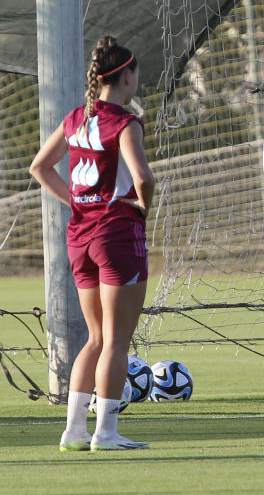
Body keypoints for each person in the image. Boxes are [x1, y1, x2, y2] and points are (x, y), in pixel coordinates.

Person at [30, 36, 154, 451]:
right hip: (116, 235)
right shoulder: (125, 122)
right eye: (136, 75)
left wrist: (76, 202)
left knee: (96, 338)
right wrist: (142, 205)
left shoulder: (75, 119)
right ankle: (106, 433)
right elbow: (144, 177)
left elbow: (39, 166)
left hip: (80, 238)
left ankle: (75, 431)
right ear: (126, 77)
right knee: (117, 340)